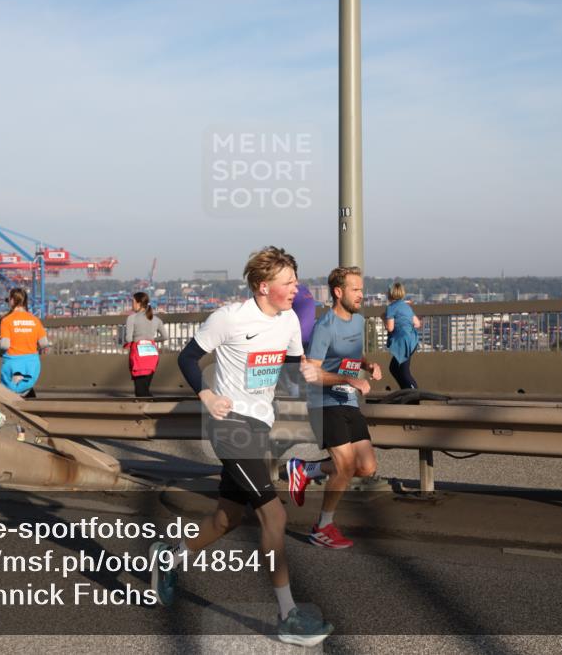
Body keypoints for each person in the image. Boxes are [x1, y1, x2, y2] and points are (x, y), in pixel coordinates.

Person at [152, 246, 334, 647]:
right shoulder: (230, 318)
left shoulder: (288, 320)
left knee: (226, 518)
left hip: (259, 426)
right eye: (289, 282)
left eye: (296, 280)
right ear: (264, 286)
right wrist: (206, 395)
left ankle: (169, 557)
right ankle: (287, 616)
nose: (297, 288)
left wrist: (311, 373)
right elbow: (187, 359)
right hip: (229, 427)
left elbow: (291, 372)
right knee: (274, 515)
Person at [286, 266, 384, 549]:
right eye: (355, 290)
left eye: (362, 289)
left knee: (366, 467)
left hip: (348, 400)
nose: (361, 295)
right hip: (324, 402)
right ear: (338, 292)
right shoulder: (325, 327)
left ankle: (306, 469)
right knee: (345, 466)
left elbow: (350, 354)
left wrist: (367, 365)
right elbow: (313, 373)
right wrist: (349, 379)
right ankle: (322, 528)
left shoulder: (358, 321)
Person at [0, 288, 49, 430]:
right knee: (25, 391)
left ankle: (2, 411)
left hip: (13, 362)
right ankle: (30, 423)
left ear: (12, 300)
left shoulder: (7, 320)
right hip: (32, 363)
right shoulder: (34, 320)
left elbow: (5, 344)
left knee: (7, 391)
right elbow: (44, 343)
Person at [124, 291, 168, 397]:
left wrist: (137, 339)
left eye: (133, 302)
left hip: (138, 356)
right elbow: (165, 337)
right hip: (152, 355)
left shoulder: (132, 318)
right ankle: (150, 403)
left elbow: (128, 339)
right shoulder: (156, 319)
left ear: (139, 303)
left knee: (140, 391)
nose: (132, 305)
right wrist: (152, 340)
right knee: (144, 388)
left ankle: (150, 404)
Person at [383, 282, 421, 389]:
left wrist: (383, 318)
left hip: (403, 342)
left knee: (404, 372)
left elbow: (390, 328)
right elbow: (417, 323)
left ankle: (414, 394)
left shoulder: (391, 308)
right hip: (412, 341)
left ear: (390, 294)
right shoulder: (406, 307)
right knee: (394, 368)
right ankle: (405, 391)